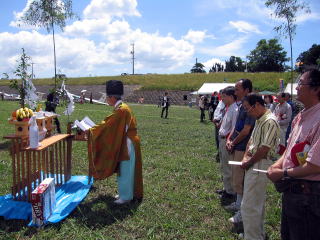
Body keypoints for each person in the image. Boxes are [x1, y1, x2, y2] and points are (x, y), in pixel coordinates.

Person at [267, 69, 320, 240]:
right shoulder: (301, 116)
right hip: (293, 192)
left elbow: (314, 165)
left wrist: (283, 173)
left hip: (309, 195)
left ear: (316, 89)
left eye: (300, 84)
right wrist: (277, 164)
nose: (296, 88)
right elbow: (290, 150)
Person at [88, 80, 143, 205]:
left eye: (107, 97)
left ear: (112, 97)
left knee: (126, 169)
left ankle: (126, 196)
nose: (106, 99)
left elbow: (108, 126)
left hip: (128, 143)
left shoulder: (121, 110)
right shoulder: (121, 107)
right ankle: (127, 193)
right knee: (126, 169)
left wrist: (91, 130)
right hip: (128, 141)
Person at [240, 93, 280, 240]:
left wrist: (249, 162)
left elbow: (264, 149)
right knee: (256, 203)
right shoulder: (259, 119)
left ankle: (252, 237)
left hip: (259, 163)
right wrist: (245, 157)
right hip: (253, 161)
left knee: (250, 205)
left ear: (256, 105)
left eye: (247, 108)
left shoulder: (270, 121)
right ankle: (256, 234)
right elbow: (251, 142)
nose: (247, 111)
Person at [225, 79, 255, 224]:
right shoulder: (243, 105)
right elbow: (237, 126)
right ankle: (238, 204)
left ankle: (242, 210)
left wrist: (233, 142)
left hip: (244, 147)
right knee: (237, 177)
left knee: (241, 179)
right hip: (238, 145)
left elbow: (246, 130)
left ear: (247, 90)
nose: (235, 92)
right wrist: (230, 140)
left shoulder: (250, 105)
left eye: (238, 89)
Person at [217, 87, 237, 205]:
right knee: (224, 165)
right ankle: (227, 188)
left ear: (230, 96)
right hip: (222, 139)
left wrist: (230, 141)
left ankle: (230, 191)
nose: (222, 99)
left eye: (223, 96)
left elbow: (234, 128)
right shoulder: (229, 108)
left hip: (227, 140)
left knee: (228, 167)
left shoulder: (235, 109)